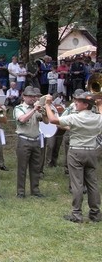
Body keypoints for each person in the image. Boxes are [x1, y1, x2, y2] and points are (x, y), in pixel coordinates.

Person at [45, 91, 102, 223]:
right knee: (92, 183)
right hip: (92, 151)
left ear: (86, 105)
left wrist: (48, 105)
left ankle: (76, 214)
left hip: (76, 151)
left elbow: (53, 120)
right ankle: (95, 213)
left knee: (77, 184)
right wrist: (99, 105)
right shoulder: (97, 118)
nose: (75, 102)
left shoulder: (75, 117)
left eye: (79, 101)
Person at [13, 86, 48, 198]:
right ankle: (21, 191)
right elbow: (22, 119)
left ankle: (35, 190)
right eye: (30, 96)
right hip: (24, 140)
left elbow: (46, 122)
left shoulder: (36, 108)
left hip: (35, 140)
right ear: (24, 97)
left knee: (36, 167)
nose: (32, 98)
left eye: (33, 96)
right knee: (22, 167)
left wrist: (44, 111)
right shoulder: (19, 108)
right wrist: (34, 110)